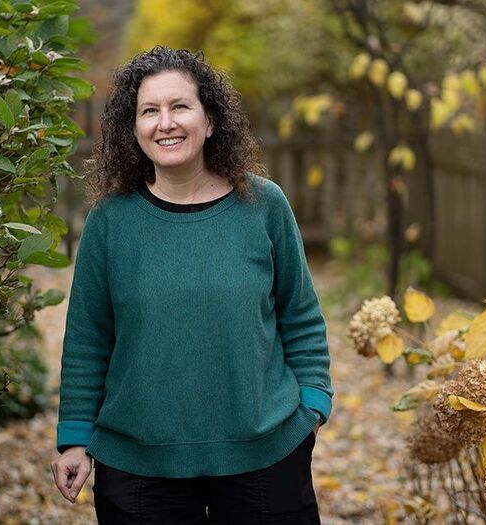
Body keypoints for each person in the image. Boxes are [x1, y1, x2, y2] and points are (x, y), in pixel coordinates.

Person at [50, 46, 334, 524]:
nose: (166, 123)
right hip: (138, 466)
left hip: (265, 454)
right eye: (149, 111)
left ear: (211, 119)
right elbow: (87, 337)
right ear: (132, 128)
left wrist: (313, 404)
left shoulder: (264, 205)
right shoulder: (110, 221)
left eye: (180, 106)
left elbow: (300, 315)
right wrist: (75, 438)